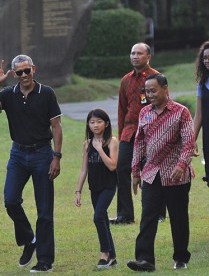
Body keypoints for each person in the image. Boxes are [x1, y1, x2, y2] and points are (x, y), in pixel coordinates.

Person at [0, 56, 62, 273]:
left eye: (27, 70)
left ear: (34, 69)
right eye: (19, 72)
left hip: (43, 154)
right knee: (10, 200)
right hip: (18, 154)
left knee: (44, 211)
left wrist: (56, 156)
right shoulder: (8, 94)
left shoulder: (46, 93)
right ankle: (30, 239)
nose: (24, 75)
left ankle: (45, 261)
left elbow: (56, 126)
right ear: (14, 75)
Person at [127, 73, 194, 272]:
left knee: (178, 217)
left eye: (153, 90)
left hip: (176, 175)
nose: (150, 95)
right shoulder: (144, 113)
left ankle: (181, 257)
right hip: (151, 173)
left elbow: (189, 143)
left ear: (165, 89)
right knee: (148, 216)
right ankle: (145, 260)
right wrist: (135, 172)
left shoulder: (181, 112)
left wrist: (181, 165)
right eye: (147, 91)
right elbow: (139, 142)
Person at [111, 42, 160, 225]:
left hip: (152, 132)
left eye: (139, 53)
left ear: (148, 57)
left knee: (152, 170)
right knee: (122, 169)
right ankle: (125, 214)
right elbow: (121, 109)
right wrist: (121, 133)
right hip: (129, 133)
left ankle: (157, 212)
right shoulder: (126, 80)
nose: (135, 56)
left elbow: (164, 105)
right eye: (132, 53)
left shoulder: (156, 77)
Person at [75, 109, 118, 269]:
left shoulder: (112, 141)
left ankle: (104, 254)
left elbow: (113, 166)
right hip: (94, 187)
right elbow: (83, 170)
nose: (95, 125)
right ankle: (112, 257)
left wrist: (100, 149)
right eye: (92, 122)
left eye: (99, 122)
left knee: (98, 216)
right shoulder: (86, 144)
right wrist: (78, 191)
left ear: (106, 124)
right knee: (103, 220)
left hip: (109, 185)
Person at [193, 41, 209, 183]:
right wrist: (191, 139)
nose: (207, 61)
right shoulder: (202, 84)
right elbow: (199, 115)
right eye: (204, 58)